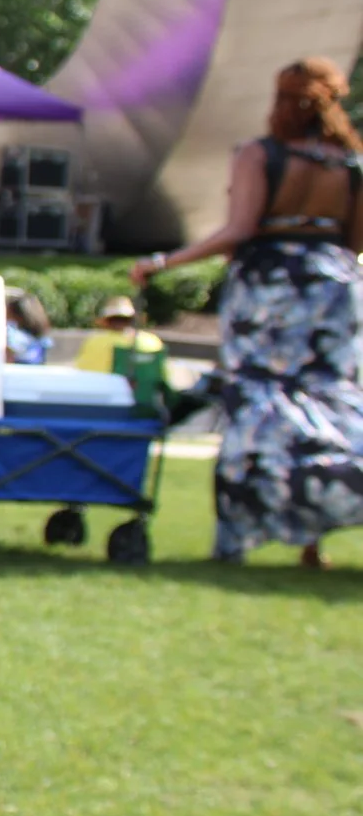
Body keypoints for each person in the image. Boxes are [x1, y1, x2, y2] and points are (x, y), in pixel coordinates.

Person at [131, 58, 363, 567]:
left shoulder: (261, 155)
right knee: (327, 406)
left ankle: (235, 539)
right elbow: (354, 243)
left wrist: (161, 263)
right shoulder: (348, 163)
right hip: (334, 289)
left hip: (268, 289)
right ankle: (312, 540)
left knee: (257, 409)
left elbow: (237, 231)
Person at [70, 294, 164, 376]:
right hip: (144, 394)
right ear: (133, 320)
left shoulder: (95, 341)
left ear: (106, 321)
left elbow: (82, 373)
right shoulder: (152, 340)